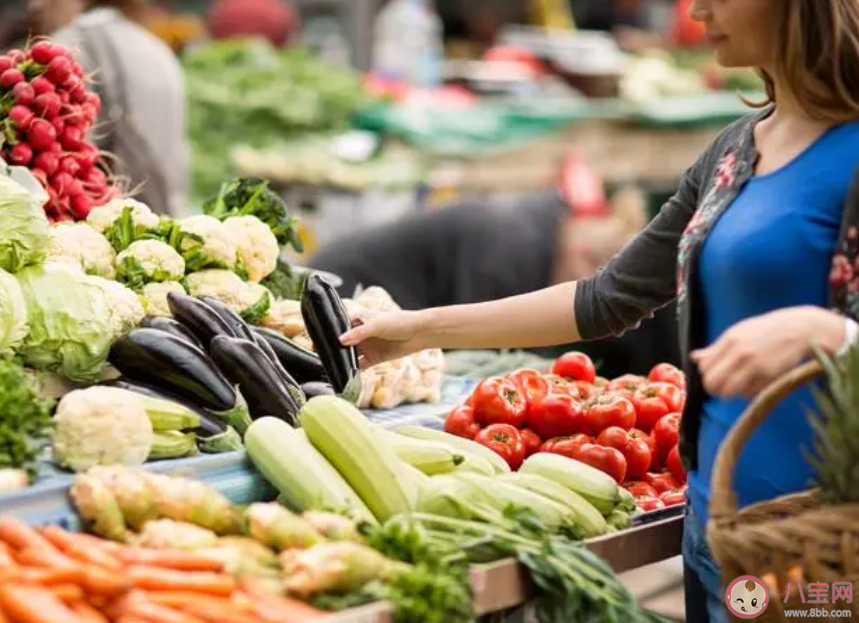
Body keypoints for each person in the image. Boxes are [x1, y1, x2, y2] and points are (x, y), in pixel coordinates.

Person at [340, 1, 859, 621]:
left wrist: (835, 334)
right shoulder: (735, 151)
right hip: (720, 531)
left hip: (828, 549)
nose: (697, 10)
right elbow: (606, 298)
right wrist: (416, 330)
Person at [309, 188, 681, 377]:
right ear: (583, 253)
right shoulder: (508, 251)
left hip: (394, 302)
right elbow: (475, 341)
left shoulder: (542, 229)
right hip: (341, 291)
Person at [28, 0, 191, 216]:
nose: (35, 5)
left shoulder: (72, 45)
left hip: (114, 222)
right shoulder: (155, 46)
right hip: (162, 215)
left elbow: (65, 167)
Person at [205, 0, 298, 48]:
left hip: (228, 61)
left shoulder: (224, 7)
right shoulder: (276, 8)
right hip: (270, 62)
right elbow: (288, 36)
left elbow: (212, 32)